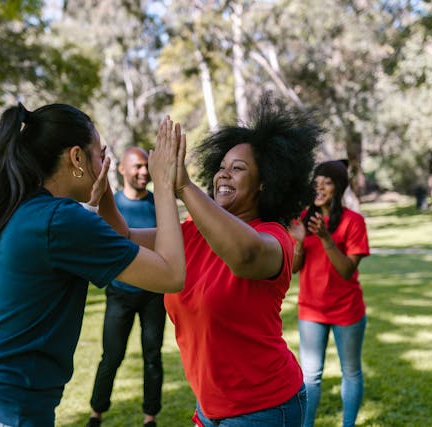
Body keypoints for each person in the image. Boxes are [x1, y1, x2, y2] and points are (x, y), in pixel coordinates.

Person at [0, 103, 186, 427]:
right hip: (3, 410)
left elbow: (120, 238)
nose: (101, 162)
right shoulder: (59, 220)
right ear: (76, 158)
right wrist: (163, 184)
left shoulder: (6, 210)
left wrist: (103, 189)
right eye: (97, 154)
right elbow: (171, 274)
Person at [95, 95, 322, 427]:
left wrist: (182, 185)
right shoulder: (191, 234)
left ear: (263, 183)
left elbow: (244, 257)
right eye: (221, 167)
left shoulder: (274, 239)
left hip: (264, 407)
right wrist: (101, 193)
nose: (223, 175)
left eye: (238, 168)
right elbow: (122, 240)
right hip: (210, 408)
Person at [87, 147, 165, 427]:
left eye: (146, 166)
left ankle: (150, 416)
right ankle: (96, 413)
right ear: (122, 169)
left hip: (153, 295)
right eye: (138, 167)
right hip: (120, 294)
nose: (144, 172)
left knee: (153, 357)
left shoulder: (159, 205)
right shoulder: (113, 205)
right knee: (112, 356)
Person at [289, 160, 370, 427]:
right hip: (311, 310)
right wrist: (299, 241)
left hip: (347, 309)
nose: (319, 187)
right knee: (310, 376)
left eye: (327, 182)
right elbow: (294, 268)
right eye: (317, 182)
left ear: (339, 187)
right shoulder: (303, 218)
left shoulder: (353, 221)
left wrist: (325, 238)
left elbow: (347, 270)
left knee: (351, 372)